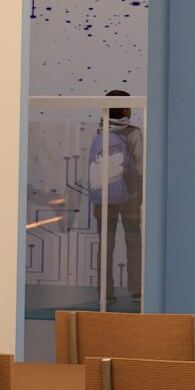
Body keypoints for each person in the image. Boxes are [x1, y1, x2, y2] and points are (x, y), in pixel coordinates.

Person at [84, 91, 143, 306]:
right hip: (130, 197)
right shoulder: (134, 133)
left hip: (103, 198)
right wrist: (139, 195)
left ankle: (105, 292)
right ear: (126, 109)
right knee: (133, 242)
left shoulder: (100, 132)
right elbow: (140, 167)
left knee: (105, 245)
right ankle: (137, 290)